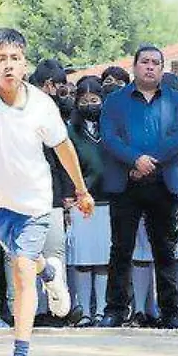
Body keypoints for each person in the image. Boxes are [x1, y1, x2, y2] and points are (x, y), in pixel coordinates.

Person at [0, 20, 93, 356]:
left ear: (25, 63)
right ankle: (49, 274)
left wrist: (81, 191)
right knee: (29, 264)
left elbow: (63, 147)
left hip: (34, 202)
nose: (7, 65)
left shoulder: (42, 105)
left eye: (14, 58)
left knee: (19, 268)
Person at [100, 44, 178, 329]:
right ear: (134, 66)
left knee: (165, 249)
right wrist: (135, 160)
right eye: (145, 62)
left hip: (163, 182)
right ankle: (115, 310)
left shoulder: (176, 100)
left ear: (162, 69)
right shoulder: (115, 101)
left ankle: (170, 311)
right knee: (121, 249)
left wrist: (149, 162)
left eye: (156, 63)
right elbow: (109, 137)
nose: (150, 67)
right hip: (126, 182)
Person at [65, 76, 111, 327]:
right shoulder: (69, 130)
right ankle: (83, 310)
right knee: (82, 259)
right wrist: (68, 195)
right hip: (80, 200)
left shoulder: (110, 127)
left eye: (95, 100)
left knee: (103, 259)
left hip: (108, 200)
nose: (90, 105)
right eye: (84, 101)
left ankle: (102, 310)